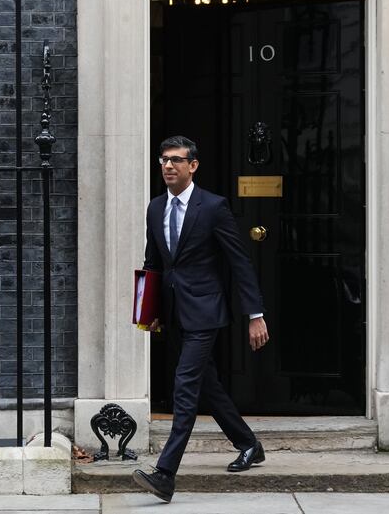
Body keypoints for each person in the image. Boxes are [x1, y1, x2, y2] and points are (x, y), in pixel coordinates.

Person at [132, 135, 270, 503]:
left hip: (206, 311)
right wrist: (149, 313)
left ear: (193, 165)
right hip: (175, 313)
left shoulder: (213, 207)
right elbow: (153, 263)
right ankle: (248, 444)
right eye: (163, 160)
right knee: (207, 384)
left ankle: (165, 474)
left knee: (185, 386)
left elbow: (239, 261)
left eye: (176, 160)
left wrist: (255, 314)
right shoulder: (155, 208)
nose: (168, 166)